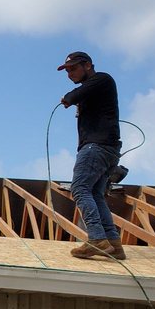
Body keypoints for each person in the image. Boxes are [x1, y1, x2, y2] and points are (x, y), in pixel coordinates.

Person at [58, 51, 124, 260]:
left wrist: (69, 99)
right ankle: (113, 243)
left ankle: (96, 239)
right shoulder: (93, 89)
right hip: (107, 150)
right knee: (95, 193)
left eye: (73, 68)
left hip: (96, 148)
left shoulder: (102, 79)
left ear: (87, 65)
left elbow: (76, 94)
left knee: (79, 188)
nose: (69, 74)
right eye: (67, 71)